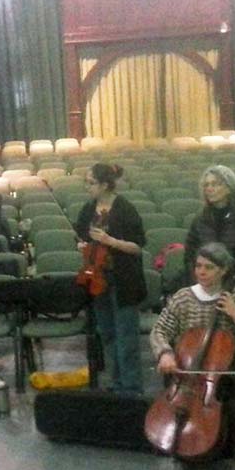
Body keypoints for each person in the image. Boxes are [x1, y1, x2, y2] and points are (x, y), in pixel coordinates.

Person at [150, 242, 235, 470]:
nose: (201, 272)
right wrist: (164, 353)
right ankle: (188, 447)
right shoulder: (183, 298)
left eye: (209, 267)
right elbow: (160, 330)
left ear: (224, 271)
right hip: (188, 373)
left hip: (234, 371)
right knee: (181, 405)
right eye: (198, 266)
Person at [75, 163, 147, 394]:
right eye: (86, 182)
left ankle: (131, 388)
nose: (87, 187)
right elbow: (82, 237)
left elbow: (137, 247)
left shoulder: (125, 209)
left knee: (126, 337)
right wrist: (82, 246)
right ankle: (117, 384)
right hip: (98, 279)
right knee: (107, 334)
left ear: (105, 184)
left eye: (91, 183)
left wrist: (110, 241)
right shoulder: (88, 209)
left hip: (123, 279)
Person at [184, 165, 235, 292]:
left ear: (229, 188)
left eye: (215, 184)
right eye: (206, 185)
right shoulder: (199, 219)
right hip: (203, 284)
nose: (209, 188)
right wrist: (199, 284)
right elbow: (189, 256)